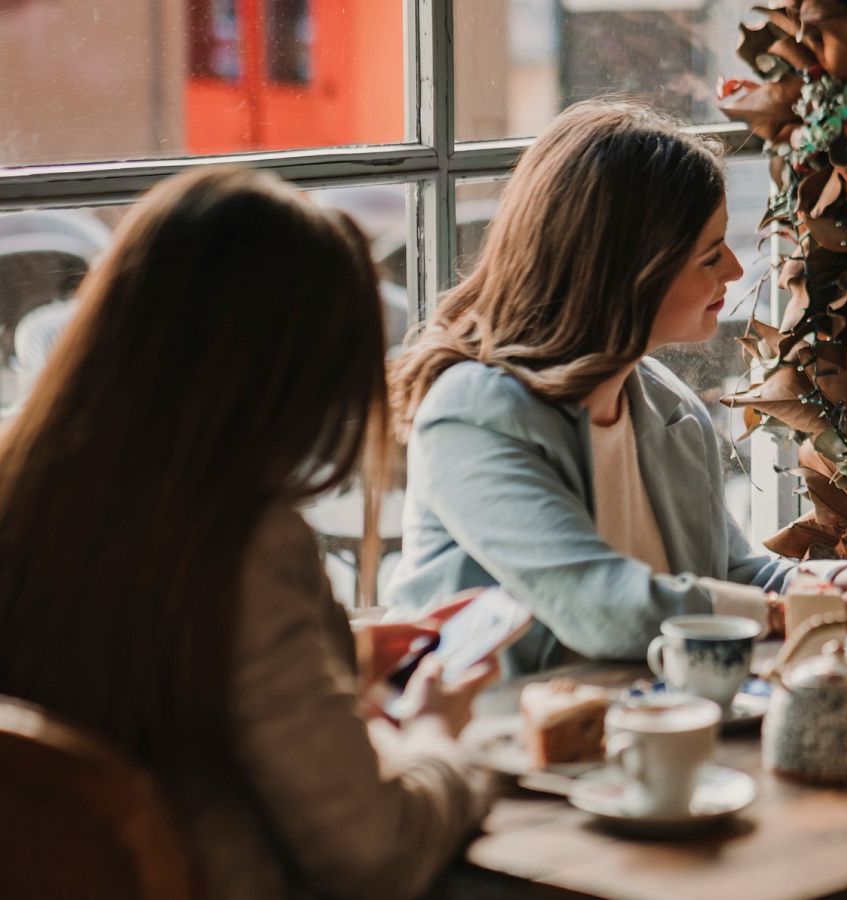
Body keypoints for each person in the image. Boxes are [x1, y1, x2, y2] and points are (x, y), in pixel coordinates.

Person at [0, 167, 495, 899]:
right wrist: (438, 739)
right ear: (290, 375)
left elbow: (130, 671)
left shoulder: (33, 482)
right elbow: (373, 854)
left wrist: (339, 655)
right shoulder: (238, 541)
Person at [386, 100, 847, 674]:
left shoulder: (663, 404)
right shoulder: (471, 413)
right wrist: (841, 612)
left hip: (655, 733)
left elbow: (735, 575)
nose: (734, 270)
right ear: (626, 273)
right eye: (710, 256)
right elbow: (602, 608)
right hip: (498, 748)